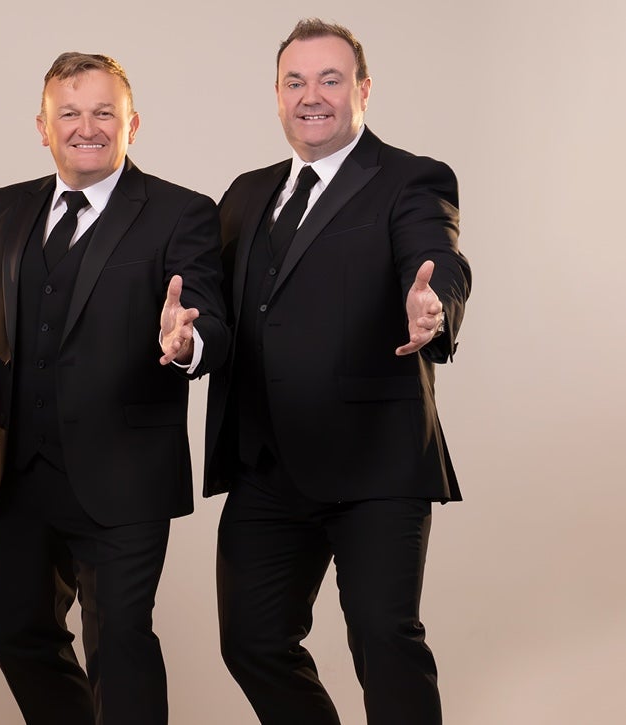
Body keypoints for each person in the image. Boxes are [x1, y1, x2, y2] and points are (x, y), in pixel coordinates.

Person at [0, 52, 228, 725]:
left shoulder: (180, 213)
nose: (86, 127)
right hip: (17, 472)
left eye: (103, 112)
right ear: (43, 127)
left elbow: (209, 319)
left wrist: (185, 342)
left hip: (124, 476)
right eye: (68, 113)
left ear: (132, 123)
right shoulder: (6, 208)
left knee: (119, 645)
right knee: (16, 631)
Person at [205, 18, 472, 725]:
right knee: (251, 641)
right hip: (267, 466)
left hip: (374, 463)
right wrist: (186, 333)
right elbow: (213, 309)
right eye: (295, 81)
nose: (311, 95)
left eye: (329, 79)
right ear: (276, 94)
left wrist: (432, 303)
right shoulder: (244, 195)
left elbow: (437, 257)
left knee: (384, 641)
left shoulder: (409, 177)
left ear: (362, 89)